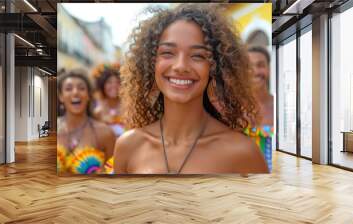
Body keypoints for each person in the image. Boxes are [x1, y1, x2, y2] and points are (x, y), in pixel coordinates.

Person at [114, 4, 268, 174]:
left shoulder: (243, 152)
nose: (181, 66)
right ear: (151, 63)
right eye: (167, 53)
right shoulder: (128, 146)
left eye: (198, 56)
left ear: (214, 67)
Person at [57, 69, 115, 174]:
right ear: (61, 96)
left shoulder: (104, 133)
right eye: (69, 88)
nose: (75, 92)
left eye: (81, 88)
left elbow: (114, 173)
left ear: (88, 95)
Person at [92, 64, 125, 137]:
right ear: (103, 85)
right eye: (109, 82)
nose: (114, 86)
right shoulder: (97, 110)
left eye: (117, 82)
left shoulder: (128, 107)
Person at [248, 46, 273, 127]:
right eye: (248, 66)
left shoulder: (279, 106)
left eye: (261, 65)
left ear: (269, 69)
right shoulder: (232, 109)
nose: (255, 71)